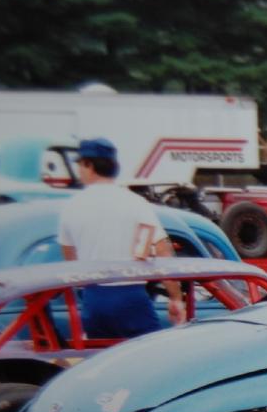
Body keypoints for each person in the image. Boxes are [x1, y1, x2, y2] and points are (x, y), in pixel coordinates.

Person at [59, 138, 186, 338]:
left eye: (80, 165)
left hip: (93, 299)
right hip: (131, 296)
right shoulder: (135, 203)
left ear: (89, 165)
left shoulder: (71, 206)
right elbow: (163, 251)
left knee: (103, 355)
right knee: (150, 351)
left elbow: (70, 261)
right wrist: (175, 298)